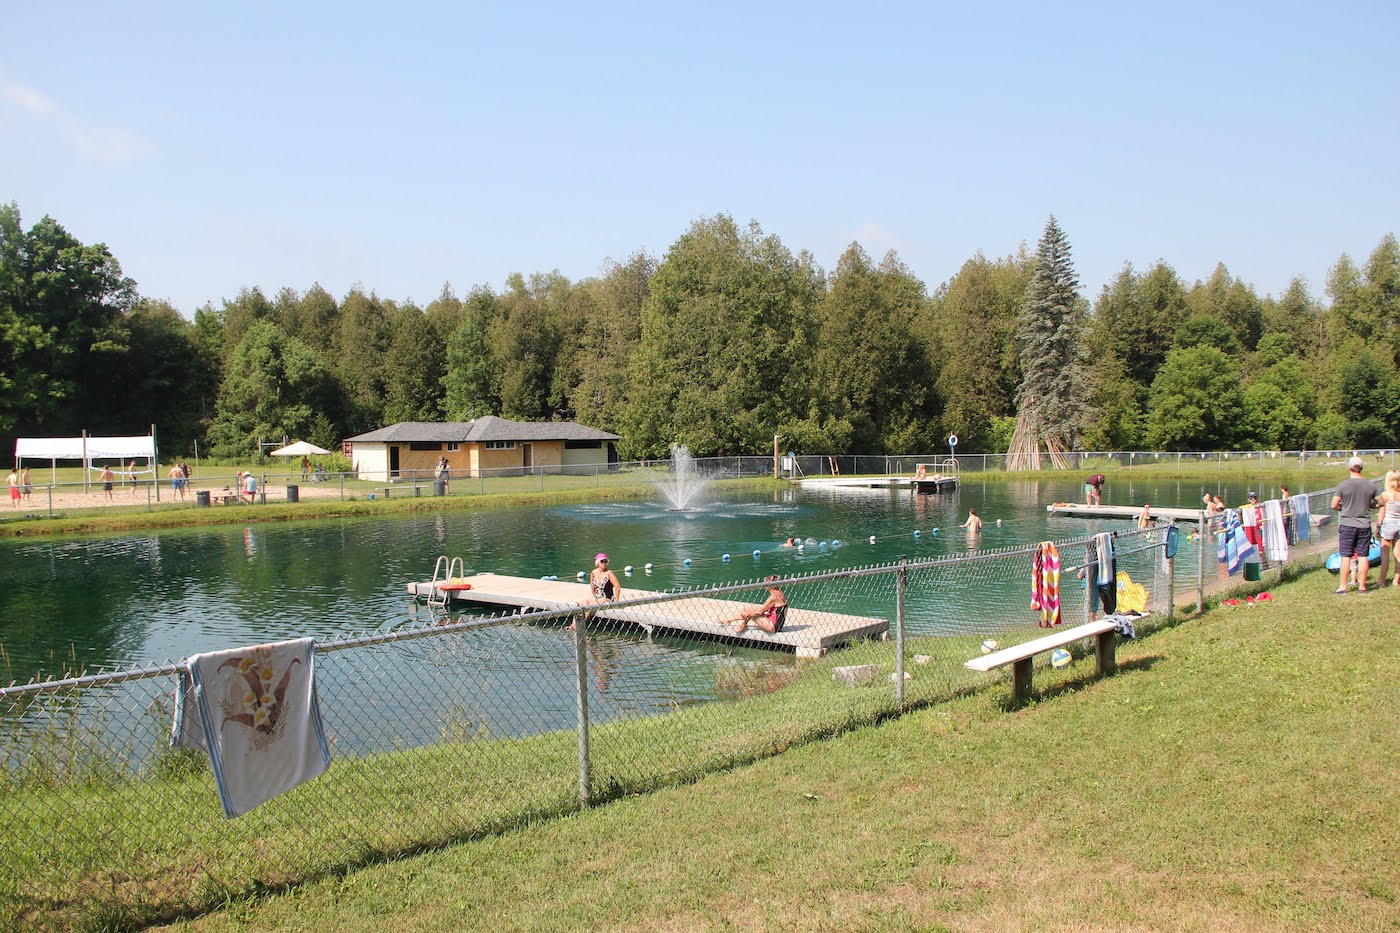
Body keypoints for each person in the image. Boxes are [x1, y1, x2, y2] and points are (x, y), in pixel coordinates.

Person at [1331, 456, 1379, 594]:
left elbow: (1334, 504)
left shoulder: (1343, 485)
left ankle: (1343, 587)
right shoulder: (1371, 485)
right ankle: (1362, 587)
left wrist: (1343, 508)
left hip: (1347, 524)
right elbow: (1380, 502)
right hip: (1364, 525)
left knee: (1346, 556)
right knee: (1363, 556)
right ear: (1361, 468)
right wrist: (1368, 505)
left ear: (1349, 468)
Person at [570, 553, 622, 632]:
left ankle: (575, 628)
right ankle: (573, 625)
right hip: (597, 597)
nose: (604, 563)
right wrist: (594, 595)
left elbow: (617, 586)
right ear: (597, 562)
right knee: (581, 603)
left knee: (589, 607)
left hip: (607, 598)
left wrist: (617, 601)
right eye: (602, 561)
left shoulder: (609, 573)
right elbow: (592, 585)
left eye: (606, 561)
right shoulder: (594, 572)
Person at [720, 574, 788, 634]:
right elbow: (763, 611)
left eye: (765, 583)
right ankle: (730, 620)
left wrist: (747, 615)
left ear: (769, 585)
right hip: (776, 624)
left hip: (772, 626)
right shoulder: (780, 594)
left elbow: (759, 612)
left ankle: (739, 623)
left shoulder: (773, 597)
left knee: (750, 610)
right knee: (750, 607)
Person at [1376, 470, 1400, 588]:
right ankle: (1396, 580)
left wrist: (1377, 526)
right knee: (1398, 554)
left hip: (1387, 525)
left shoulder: (1385, 495)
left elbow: (1381, 512)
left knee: (1385, 554)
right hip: (1399, 524)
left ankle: (1382, 581)